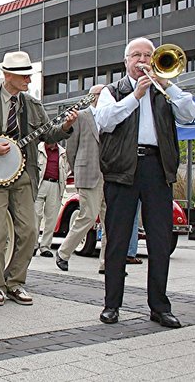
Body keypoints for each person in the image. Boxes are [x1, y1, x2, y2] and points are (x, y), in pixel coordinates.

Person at [0, 51, 77, 306]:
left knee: (30, 231)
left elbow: (50, 135)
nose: (28, 80)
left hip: (25, 174)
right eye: (23, 76)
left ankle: (15, 282)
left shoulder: (33, 106)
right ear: (8, 75)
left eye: (28, 75)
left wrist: (66, 127)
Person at [95, 37, 195, 328]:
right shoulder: (112, 91)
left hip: (157, 168)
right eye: (136, 55)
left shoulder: (165, 91)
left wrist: (167, 85)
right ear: (125, 61)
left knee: (160, 241)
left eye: (148, 55)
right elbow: (105, 121)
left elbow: (190, 115)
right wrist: (135, 96)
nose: (142, 61)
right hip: (122, 170)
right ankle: (111, 305)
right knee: (117, 240)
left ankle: (160, 307)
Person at [55, 85, 107, 272]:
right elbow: (71, 149)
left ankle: (106, 263)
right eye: (103, 93)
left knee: (111, 221)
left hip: (109, 175)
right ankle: (63, 252)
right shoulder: (81, 116)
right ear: (93, 96)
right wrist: (77, 172)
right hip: (88, 174)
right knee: (88, 216)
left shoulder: (110, 115)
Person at [34, 139, 68, 257]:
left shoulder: (63, 152)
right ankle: (33, 245)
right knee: (35, 215)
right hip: (40, 183)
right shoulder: (38, 149)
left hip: (55, 185)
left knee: (51, 218)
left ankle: (45, 246)